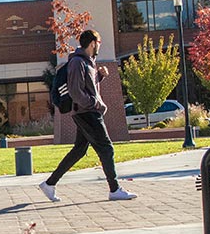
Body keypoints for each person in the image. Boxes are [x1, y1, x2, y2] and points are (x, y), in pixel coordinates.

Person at [39, 29, 137, 202]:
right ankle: (114, 190)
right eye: (98, 43)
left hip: (86, 111)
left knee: (79, 150)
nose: (99, 46)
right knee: (106, 148)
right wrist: (94, 104)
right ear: (92, 43)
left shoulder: (87, 62)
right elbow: (76, 91)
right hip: (87, 112)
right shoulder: (78, 62)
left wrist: (99, 76)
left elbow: (86, 87)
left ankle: (49, 184)